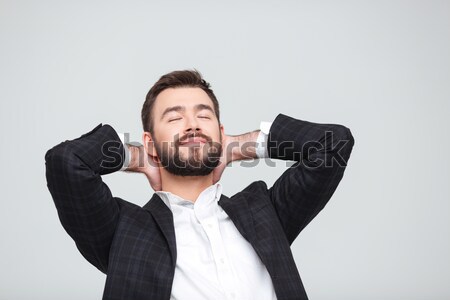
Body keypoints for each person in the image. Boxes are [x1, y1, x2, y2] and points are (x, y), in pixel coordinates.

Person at [45, 70, 354, 300]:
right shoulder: (123, 231)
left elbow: (333, 144)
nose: (192, 124)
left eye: (203, 116)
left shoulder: (265, 213)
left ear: (220, 132)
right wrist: (137, 156)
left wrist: (238, 145)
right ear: (151, 142)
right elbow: (67, 162)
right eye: (175, 118)